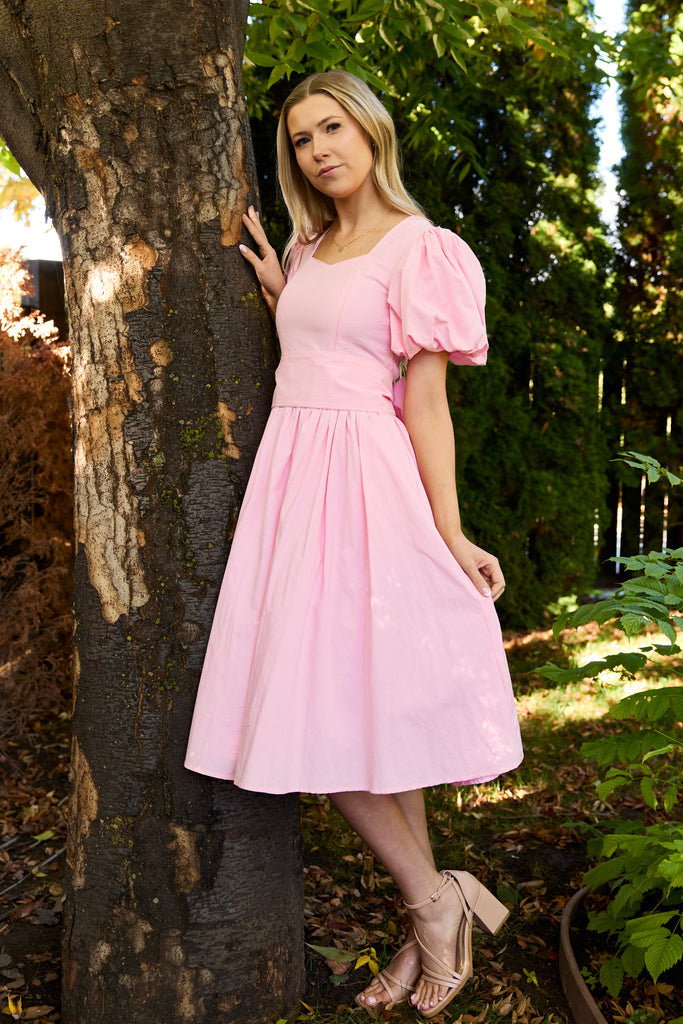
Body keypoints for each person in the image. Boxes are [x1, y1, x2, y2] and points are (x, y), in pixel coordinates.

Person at [184, 69, 523, 1019]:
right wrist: (283, 289)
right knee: (353, 719)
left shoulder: (424, 249)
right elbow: (325, 345)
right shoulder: (312, 243)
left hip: (363, 485)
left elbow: (421, 401)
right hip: (293, 483)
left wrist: (449, 532)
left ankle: (431, 905)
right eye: (298, 138)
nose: (317, 149)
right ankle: (437, 911)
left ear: (371, 129)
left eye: (331, 127)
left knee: (335, 712)